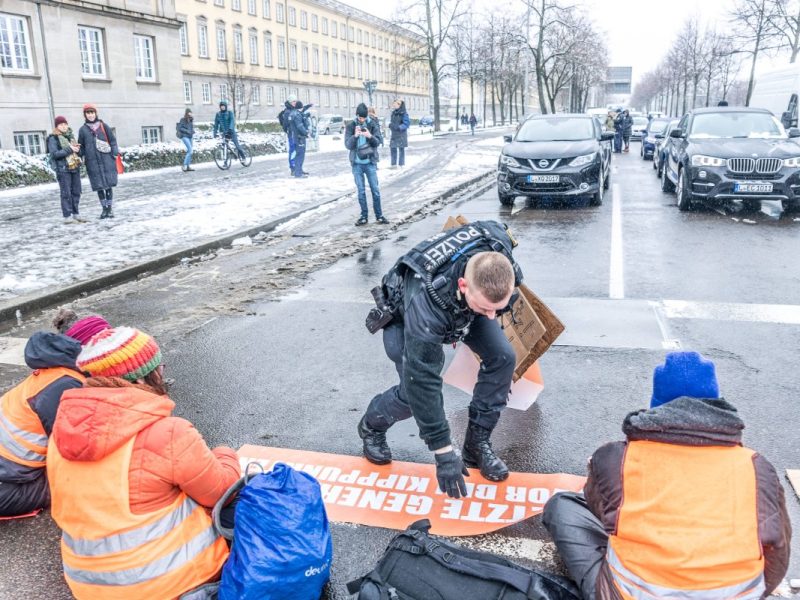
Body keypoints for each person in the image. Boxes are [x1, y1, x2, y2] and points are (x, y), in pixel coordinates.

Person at [542, 351, 791, 600]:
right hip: (736, 596)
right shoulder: (757, 466)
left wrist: (599, 474)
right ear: (719, 407)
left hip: (631, 594)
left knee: (562, 506)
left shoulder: (616, 457)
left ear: (656, 406)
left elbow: (602, 512)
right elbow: (779, 549)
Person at [47, 326, 241, 599]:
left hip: (88, 585)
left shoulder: (60, 433)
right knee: (246, 502)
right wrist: (225, 453)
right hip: (166, 585)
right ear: (141, 378)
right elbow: (222, 491)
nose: (163, 373)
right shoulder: (168, 433)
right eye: (159, 368)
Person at [358, 220, 523, 497]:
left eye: (498, 309)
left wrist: (489, 307)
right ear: (463, 285)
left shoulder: (497, 244)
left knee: (503, 357)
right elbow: (424, 382)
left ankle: (476, 444)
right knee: (412, 395)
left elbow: (492, 298)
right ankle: (371, 426)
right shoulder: (426, 304)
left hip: (462, 306)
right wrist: (443, 451)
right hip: (405, 316)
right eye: (487, 308)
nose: (492, 316)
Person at [0, 309, 108, 517]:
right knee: (75, 486)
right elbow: (77, 451)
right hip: (8, 481)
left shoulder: (58, 373)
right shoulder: (65, 387)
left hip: (11, 468)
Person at [345, 103, 386, 226]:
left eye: (364, 118)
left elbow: (378, 142)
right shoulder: (351, 125)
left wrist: (370, 136)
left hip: (370, 163)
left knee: (375, 190)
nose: (362, 120)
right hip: (357, 164)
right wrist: (355, 136)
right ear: (357, 116)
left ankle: (379, 216)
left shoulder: (372, 124)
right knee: (361, 191)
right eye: (360, 118)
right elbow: (348, 145)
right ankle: (364, 216)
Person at [78, 104, 119, 219]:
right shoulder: (83, 130)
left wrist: (114, 153)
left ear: (95, 113)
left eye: (92, 112)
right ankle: (104, 209)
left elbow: (112, 140)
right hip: (93, 162)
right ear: (85, 115)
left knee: (108, 185)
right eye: (88, 113)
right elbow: (81, 146)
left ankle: (109, 209)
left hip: (106, 160)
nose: (90, 115)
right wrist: (78, 153)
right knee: (99, 186)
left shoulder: (103, 126)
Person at [47, 116, 84, 224]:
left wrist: (78, 149)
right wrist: (70, 149)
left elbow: (77, 153)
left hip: (74, 167)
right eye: (61, 124)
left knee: (76, 191)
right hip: (63, 169)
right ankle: (67, 216)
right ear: (57, 126)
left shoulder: (70, 137)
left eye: (65, 124)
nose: (63, 126)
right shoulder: (53, 138)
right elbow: (55, 154)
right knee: (66, 193)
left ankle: (76, 214)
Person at [278, 94, 298, 175]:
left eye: (295, 101)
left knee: (296, 150)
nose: (295, 102)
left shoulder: (293, 110)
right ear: (290, 102)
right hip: (291, 133)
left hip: (295, 133)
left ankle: (297, 167)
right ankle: (292, 168)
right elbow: (285, 124)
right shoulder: (287, 112)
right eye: (293, 101)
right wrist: (288, 130)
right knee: (292, 150)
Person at [388, 99, 410, 169]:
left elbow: (406, 123)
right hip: (394, 134)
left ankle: (401, 164)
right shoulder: (393, 113)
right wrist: (391, 125)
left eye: (395, 104)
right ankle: (393, 164)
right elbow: (392, 122)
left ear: (399, 105)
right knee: (393, 148)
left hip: (401, 134)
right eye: (394, 103)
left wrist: (399, 127)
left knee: (401, 149)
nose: (394, 105)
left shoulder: (404, 113)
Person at [177, 108, 195, 172]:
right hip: (184, 136)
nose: (190, 113)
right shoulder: (183, 119)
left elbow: (191, 128)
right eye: (189, 112)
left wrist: (192, 131)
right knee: (190, 150)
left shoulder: (191, 119)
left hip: (190, 137)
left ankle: (188, 166)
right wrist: (187, 131)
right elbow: (180, 128)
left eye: (191, 112)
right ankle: (184, 165)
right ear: (187, 113)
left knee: (190, 151)